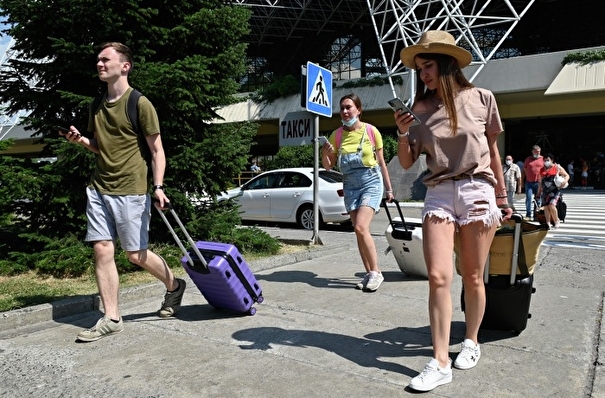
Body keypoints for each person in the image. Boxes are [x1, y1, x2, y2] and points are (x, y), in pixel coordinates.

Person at [394, 30, 512, 392]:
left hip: (478, 189)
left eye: (428, 66)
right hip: (439, 192)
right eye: (419, 68)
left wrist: (504, 198)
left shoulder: (481, 98)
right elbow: (407, 162)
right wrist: (401, 134)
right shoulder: (420, 110)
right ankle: (440, 360)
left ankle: (472, 341)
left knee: (473, 276)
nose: (423, 74)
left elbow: (492, 152)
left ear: (446, 64)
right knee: (438, 277)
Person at [60, 42, 186, 342]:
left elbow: (157, 150)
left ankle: (174, 286)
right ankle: (112, 317)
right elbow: (100, 147)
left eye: (106, 60)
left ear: (124, 66)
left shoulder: (139, 103)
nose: (100, 64)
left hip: (130, 188)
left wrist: (158, 186)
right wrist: (80, 141)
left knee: (135, 255)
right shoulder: (97, 104)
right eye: (98, 60)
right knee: (102, 248)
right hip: (99, 186)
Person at [321, 93, 394, 292]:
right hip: (350, 186)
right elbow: (327, 166)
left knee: (361, 227)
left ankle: (376, 272)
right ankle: (369, 272)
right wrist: (324, 153)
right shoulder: (336, 135)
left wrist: (389, 188)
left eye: (348, 107)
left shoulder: (372, 131)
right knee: (358, 232)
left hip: (371, 182)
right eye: (342, 108)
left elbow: (382, 163)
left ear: (358, 110)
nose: (344, 112)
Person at [537, 153, 569, 229]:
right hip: (545, 191)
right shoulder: (542, 170)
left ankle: (556, 220)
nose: (546, 162)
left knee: (552, 205)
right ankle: (548, 222)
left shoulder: (557, 167)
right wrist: (538, 193)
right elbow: (540, 182)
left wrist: (565, 181)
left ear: (552, 160)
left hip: (555, 190)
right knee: (546, 207)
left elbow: (567, 175)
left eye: (547, 160)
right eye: (544, 160)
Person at [523, 145, 544, 220]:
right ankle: (528, 214)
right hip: (529, 182)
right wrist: (525, 179)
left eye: (539, 151)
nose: (538, 153)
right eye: (536, 151)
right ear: (532, 151)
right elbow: (524, 169)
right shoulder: (528, 159)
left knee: (538, 199)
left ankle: (536, 215)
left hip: (538, 182)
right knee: (528, 198)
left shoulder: (543, 159)